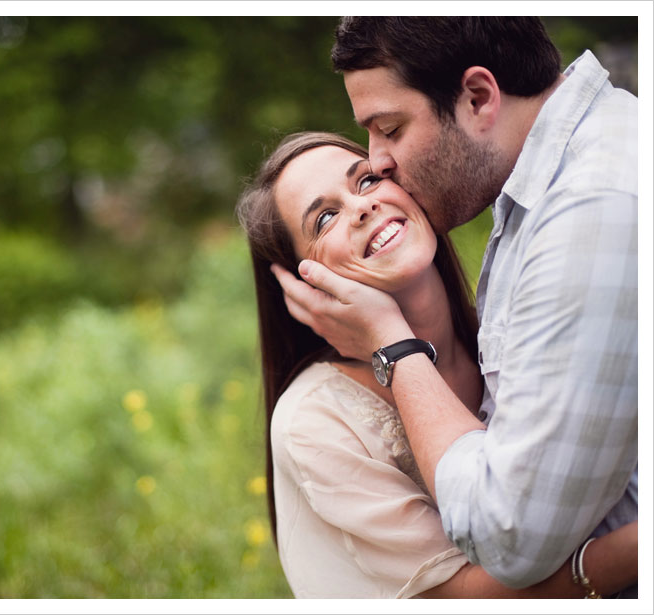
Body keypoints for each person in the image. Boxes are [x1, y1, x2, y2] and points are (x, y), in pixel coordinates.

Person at [271, 17, 638, 592]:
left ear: (477, 97)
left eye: (389, 129)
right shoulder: (532, 208)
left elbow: (510, 537)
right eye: (324, 216)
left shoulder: (586, 213)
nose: (380, 164)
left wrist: (394, 346)